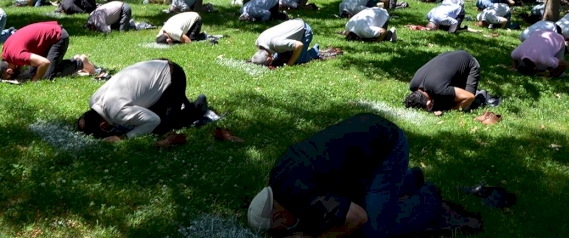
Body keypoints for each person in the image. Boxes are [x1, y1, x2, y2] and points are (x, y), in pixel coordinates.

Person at [248, 113, 459, 237]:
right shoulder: (280, 179)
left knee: (373, 230)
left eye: (278, 230)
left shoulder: (303, 196)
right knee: (358, 201)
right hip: (362, 150)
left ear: (277, 216)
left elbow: (357, 218)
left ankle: (429, 198)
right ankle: (409, 180)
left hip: (386, 147)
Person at [76, 59, 207, 142]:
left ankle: (197, 107)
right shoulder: (94, 100)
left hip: (172, 77)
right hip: (156, 66)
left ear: (103, 125)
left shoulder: (118, 111)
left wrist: (123, 138)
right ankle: (177, 102)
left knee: (162, 128)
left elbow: (153, 121)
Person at [0, 21, 95, 81]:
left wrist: (35, 80)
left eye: (9, 77)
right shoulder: (5, 53)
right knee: (33, 72)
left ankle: (80, 62)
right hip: (45, 38)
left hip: (57, 36)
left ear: (9, 71)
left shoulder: (17, 56)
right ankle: (73, 61)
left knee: (47, 76)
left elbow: (45, 62)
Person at [404, 50, 480, 112]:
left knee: (466, 106)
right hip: (452, 55)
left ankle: (481, 94)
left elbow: (470, 97)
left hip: (469, 63)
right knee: (444, 98)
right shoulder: (413, 85)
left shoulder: (440, 89)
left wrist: (449, 110)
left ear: (429, 104)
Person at [251, 18, 319, 67]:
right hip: (292, 25)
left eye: (268, 63)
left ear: (269, 59)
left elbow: (299, 45)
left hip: (304, 31)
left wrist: (290, 64)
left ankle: (315, 51)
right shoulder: (258, 42)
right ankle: (290, 52)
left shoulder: (277, 43)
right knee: (280, 57)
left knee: (298, 59)